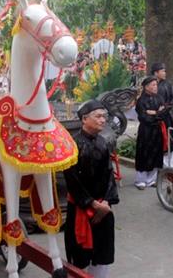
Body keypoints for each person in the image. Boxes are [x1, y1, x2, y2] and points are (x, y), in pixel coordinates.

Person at [64, 100, 119, 278]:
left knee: (102, 253)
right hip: (82, 208)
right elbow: (72, 181)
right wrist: (93, 204)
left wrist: (106, 203)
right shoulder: (73, 145)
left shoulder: (103, 142)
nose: (103, 120)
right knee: (79, 256)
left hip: (103, 206)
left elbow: (110, 174)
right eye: (98, 116)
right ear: (84, 119)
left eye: (104, 116)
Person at [134, 76, 166, 189]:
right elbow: (143, 117)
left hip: (157, 130)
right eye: (153, 85)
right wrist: (156, 113)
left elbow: (164, 113)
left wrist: (154, 113)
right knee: (144, 153)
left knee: (156, 153)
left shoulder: (159, 98)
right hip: (146, 131)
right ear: (146, 87)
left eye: (156, 84)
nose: (155, 87)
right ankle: (140, 180)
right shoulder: (140, 101)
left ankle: (151, 179)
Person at [151, 62, 173, 167]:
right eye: (162, 71)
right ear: (156, 73)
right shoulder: (149, 85)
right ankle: (158, 167)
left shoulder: (167, 84)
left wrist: (165, 108)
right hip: (153, 119)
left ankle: (171, 167)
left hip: (166, 118)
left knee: (170, 142)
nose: (165, 73)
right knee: (157, 143)